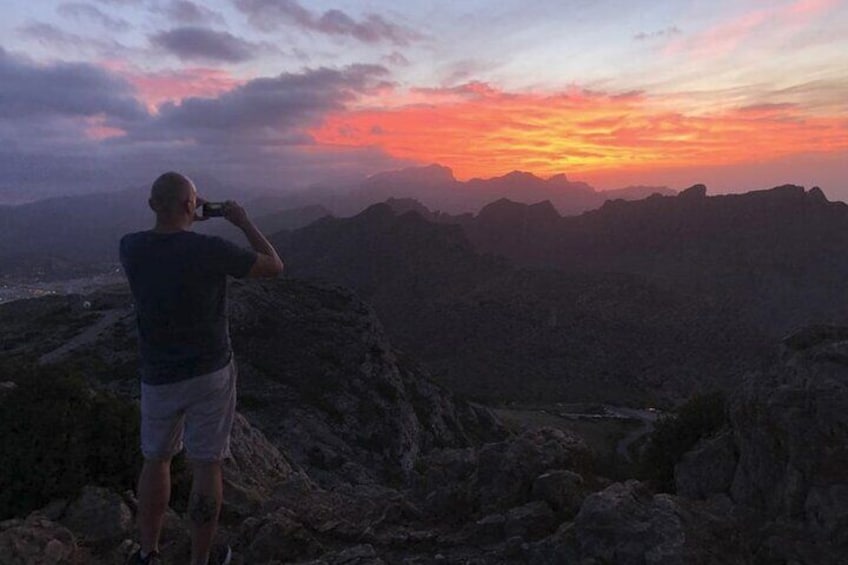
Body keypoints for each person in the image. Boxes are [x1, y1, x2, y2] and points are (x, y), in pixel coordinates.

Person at [120, 172, 283, 565]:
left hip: (158, 375)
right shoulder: (209, 249)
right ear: (192, 206)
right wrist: (242, 221)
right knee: (207, 465)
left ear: (150, 205)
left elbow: (168, 244)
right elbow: (274, 266)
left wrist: (186, 212)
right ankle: (201, 559)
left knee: (156, 459)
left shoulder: (130, 248)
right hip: (210, 372)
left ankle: (147, 552)